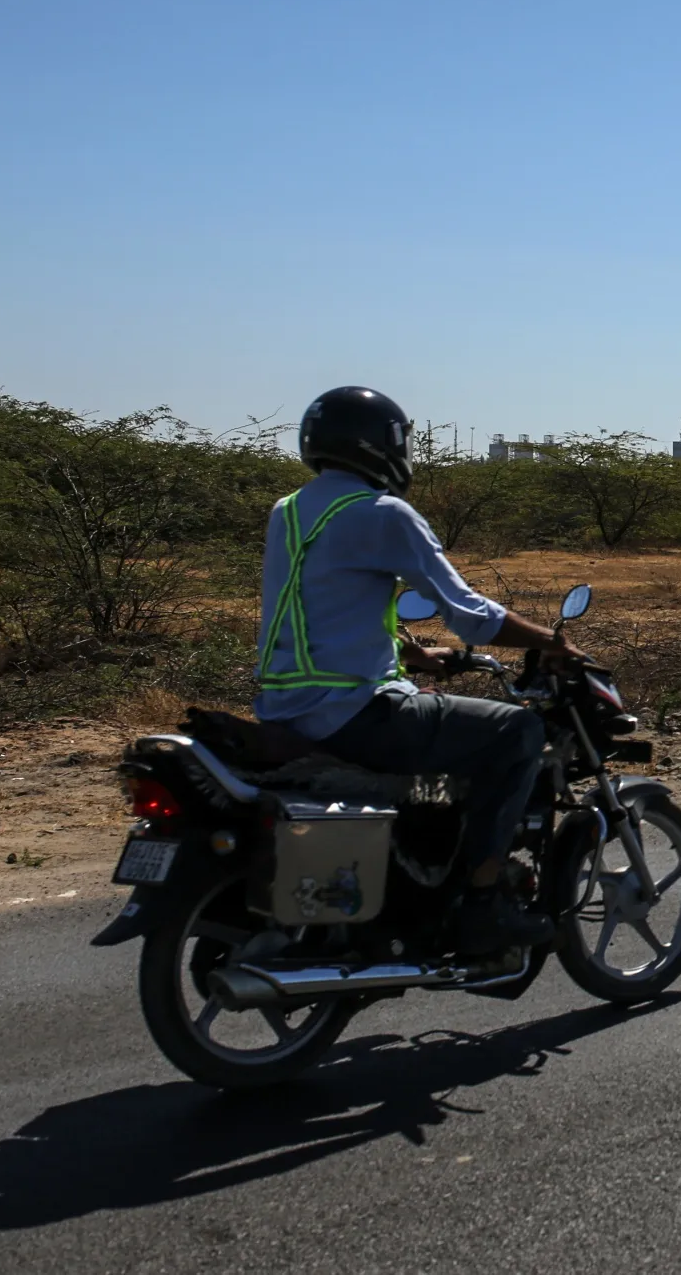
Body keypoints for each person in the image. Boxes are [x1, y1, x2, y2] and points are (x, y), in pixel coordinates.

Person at [254, 386, 577, 954]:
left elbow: (313, 613)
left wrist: (413, 657)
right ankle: (484, 902)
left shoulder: (289, 511)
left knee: (445, 749)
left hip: (285, 710)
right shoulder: (381, 513)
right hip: (354, 714)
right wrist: (549, 640)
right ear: (383, 444)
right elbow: (469, 614)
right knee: (518, 731)